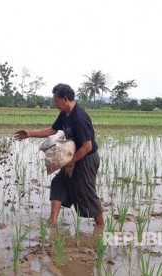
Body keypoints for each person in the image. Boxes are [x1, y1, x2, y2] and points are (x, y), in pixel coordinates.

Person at [14, 83, 104, 226]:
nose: (55, 104)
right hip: (73, 157)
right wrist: (29, 134)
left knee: (86, 192)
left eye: (56, 101)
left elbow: (87, 146)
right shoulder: (65, 114)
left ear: (65, 99)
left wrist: (71, 161)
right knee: (58, 184)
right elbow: (53, 130)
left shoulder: (79, 117)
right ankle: (52, 221)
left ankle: (101, 227)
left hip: (86, 159)